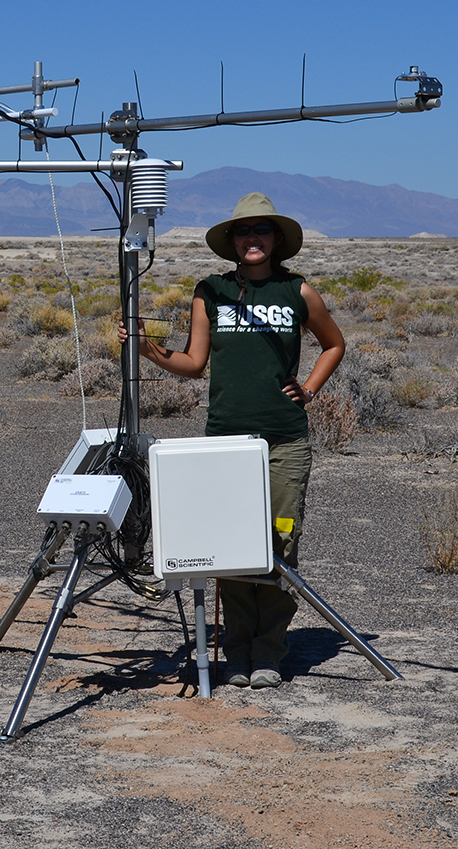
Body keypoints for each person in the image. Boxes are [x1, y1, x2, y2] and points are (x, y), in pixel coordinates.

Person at [119, 192, 345, 689]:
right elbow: (194, 363)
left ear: (277, 239)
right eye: (244, 231)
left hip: (284, 440)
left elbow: (334, 343)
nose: (252, 238)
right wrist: (148, 347)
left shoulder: (297, 291)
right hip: (226, 442)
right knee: (233, 546)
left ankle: (269, 652)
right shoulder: (212, 291)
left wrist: (309, 389)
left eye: (261, 230)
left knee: (280, 541)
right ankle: (236, 652)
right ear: (232, 241)